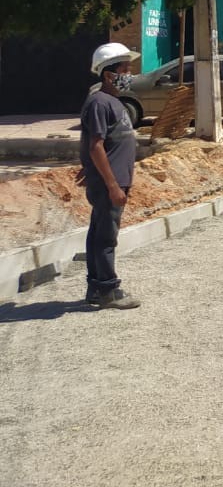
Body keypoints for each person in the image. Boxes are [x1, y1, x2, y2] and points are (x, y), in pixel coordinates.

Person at [78, 42, 143, 310]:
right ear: (108, 74)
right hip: (109, 183)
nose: (130, 73)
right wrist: (113, 185)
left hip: (110, 179)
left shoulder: (112, 102)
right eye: (125, 68)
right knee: (106, 237)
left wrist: (89, 167)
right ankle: (108, 291)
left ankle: (96, 288)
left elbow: (102, 145)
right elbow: (95, 144)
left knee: (97, 233)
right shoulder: (99, 102)